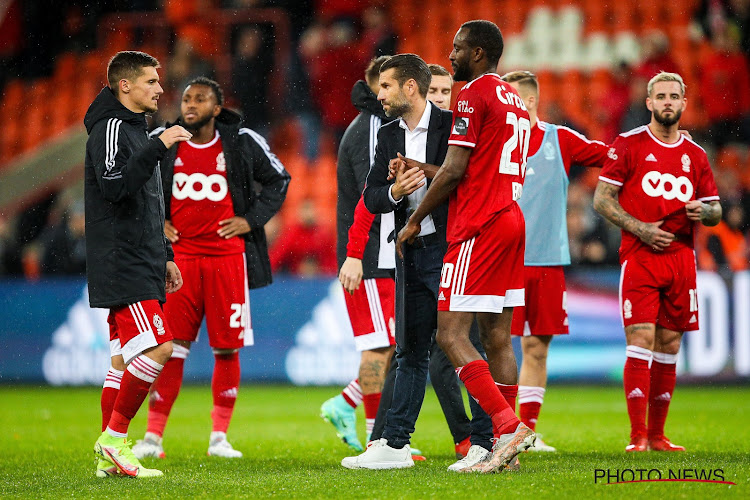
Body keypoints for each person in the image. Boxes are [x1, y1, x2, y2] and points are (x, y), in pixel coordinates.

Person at [395, 20, 536, 473]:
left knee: (450, 335)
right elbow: (483, 165)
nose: (450, 54)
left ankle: (506, 425)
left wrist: (415, 220)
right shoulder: (513, 98)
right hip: (512, 218)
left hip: (480, 225)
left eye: (456, 48)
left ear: (477, 54)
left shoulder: (473, 93)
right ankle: (504, 448)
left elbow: (457, 171)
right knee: (497, 339)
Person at [131, 77, 290, 459]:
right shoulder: (166, 140)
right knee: (170, 348)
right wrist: (158, 222)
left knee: (226, 349)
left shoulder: (240, 140)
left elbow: (279, 180)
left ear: (217, 108)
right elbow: (136, 185)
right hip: (180, 261)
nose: (190, 104)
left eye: (200, 99)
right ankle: (153, 438)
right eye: (186, 98)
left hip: (227, 261)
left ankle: (219, 438)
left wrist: (251, 220)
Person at [593, 72, 721, 452]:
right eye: (660, 96)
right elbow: (602, 199)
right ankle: (637, 438)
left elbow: (715, 209)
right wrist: (641, 229)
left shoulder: (696, 155)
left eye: (674, 96)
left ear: (683, 103)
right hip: (641, 256)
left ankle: (658, 435)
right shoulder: (629, 144)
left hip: (682, 258)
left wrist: (706, 211)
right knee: (641, 338)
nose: (667, 102)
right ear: (649, 103)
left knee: (669, 343)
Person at [340, 53, 454, 470]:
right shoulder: (385, 133)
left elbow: (467, 181)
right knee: (408, 351)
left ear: (409, 87)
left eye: (386, 86)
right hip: (408, 253)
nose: (379, 94)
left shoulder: (452, 127)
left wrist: (422, 171)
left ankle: (486, 436)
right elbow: (369, 197)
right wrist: (394, 191)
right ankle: (393, 444)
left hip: (453, 252)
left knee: (464, 347)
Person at [85, 50, 192, 478]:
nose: (160, 89)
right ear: (124, 85)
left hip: (141, 258)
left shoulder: (136, 129)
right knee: (160, 348)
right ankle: (114, 438)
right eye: (151, 81)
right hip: (122, 259)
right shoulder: (111, 128)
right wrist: (156, 146)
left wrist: (165, 256)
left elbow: (149, 203)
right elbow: (114, 186)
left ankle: (108, 454)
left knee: (122, 360)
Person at [499, 71, 611, 451]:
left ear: (529, 102)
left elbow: (610, 155)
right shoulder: (493, 142)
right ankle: (502, 429)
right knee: (499, 347)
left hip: (547, 263)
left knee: (536, 347)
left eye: (509, 98)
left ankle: (526, 433)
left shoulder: (558, 139)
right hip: (502, 263)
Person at [320, 55, 397, 453]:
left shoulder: (382, 125)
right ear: (372, 86)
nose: (388, 92)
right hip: (367, 255)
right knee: (379, 345)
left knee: (393, 343)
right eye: (383, 85)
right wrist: (354, 254)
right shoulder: (369, 128)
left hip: (386, 255)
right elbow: (371, 196)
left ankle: (348, 404)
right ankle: (375, 436)